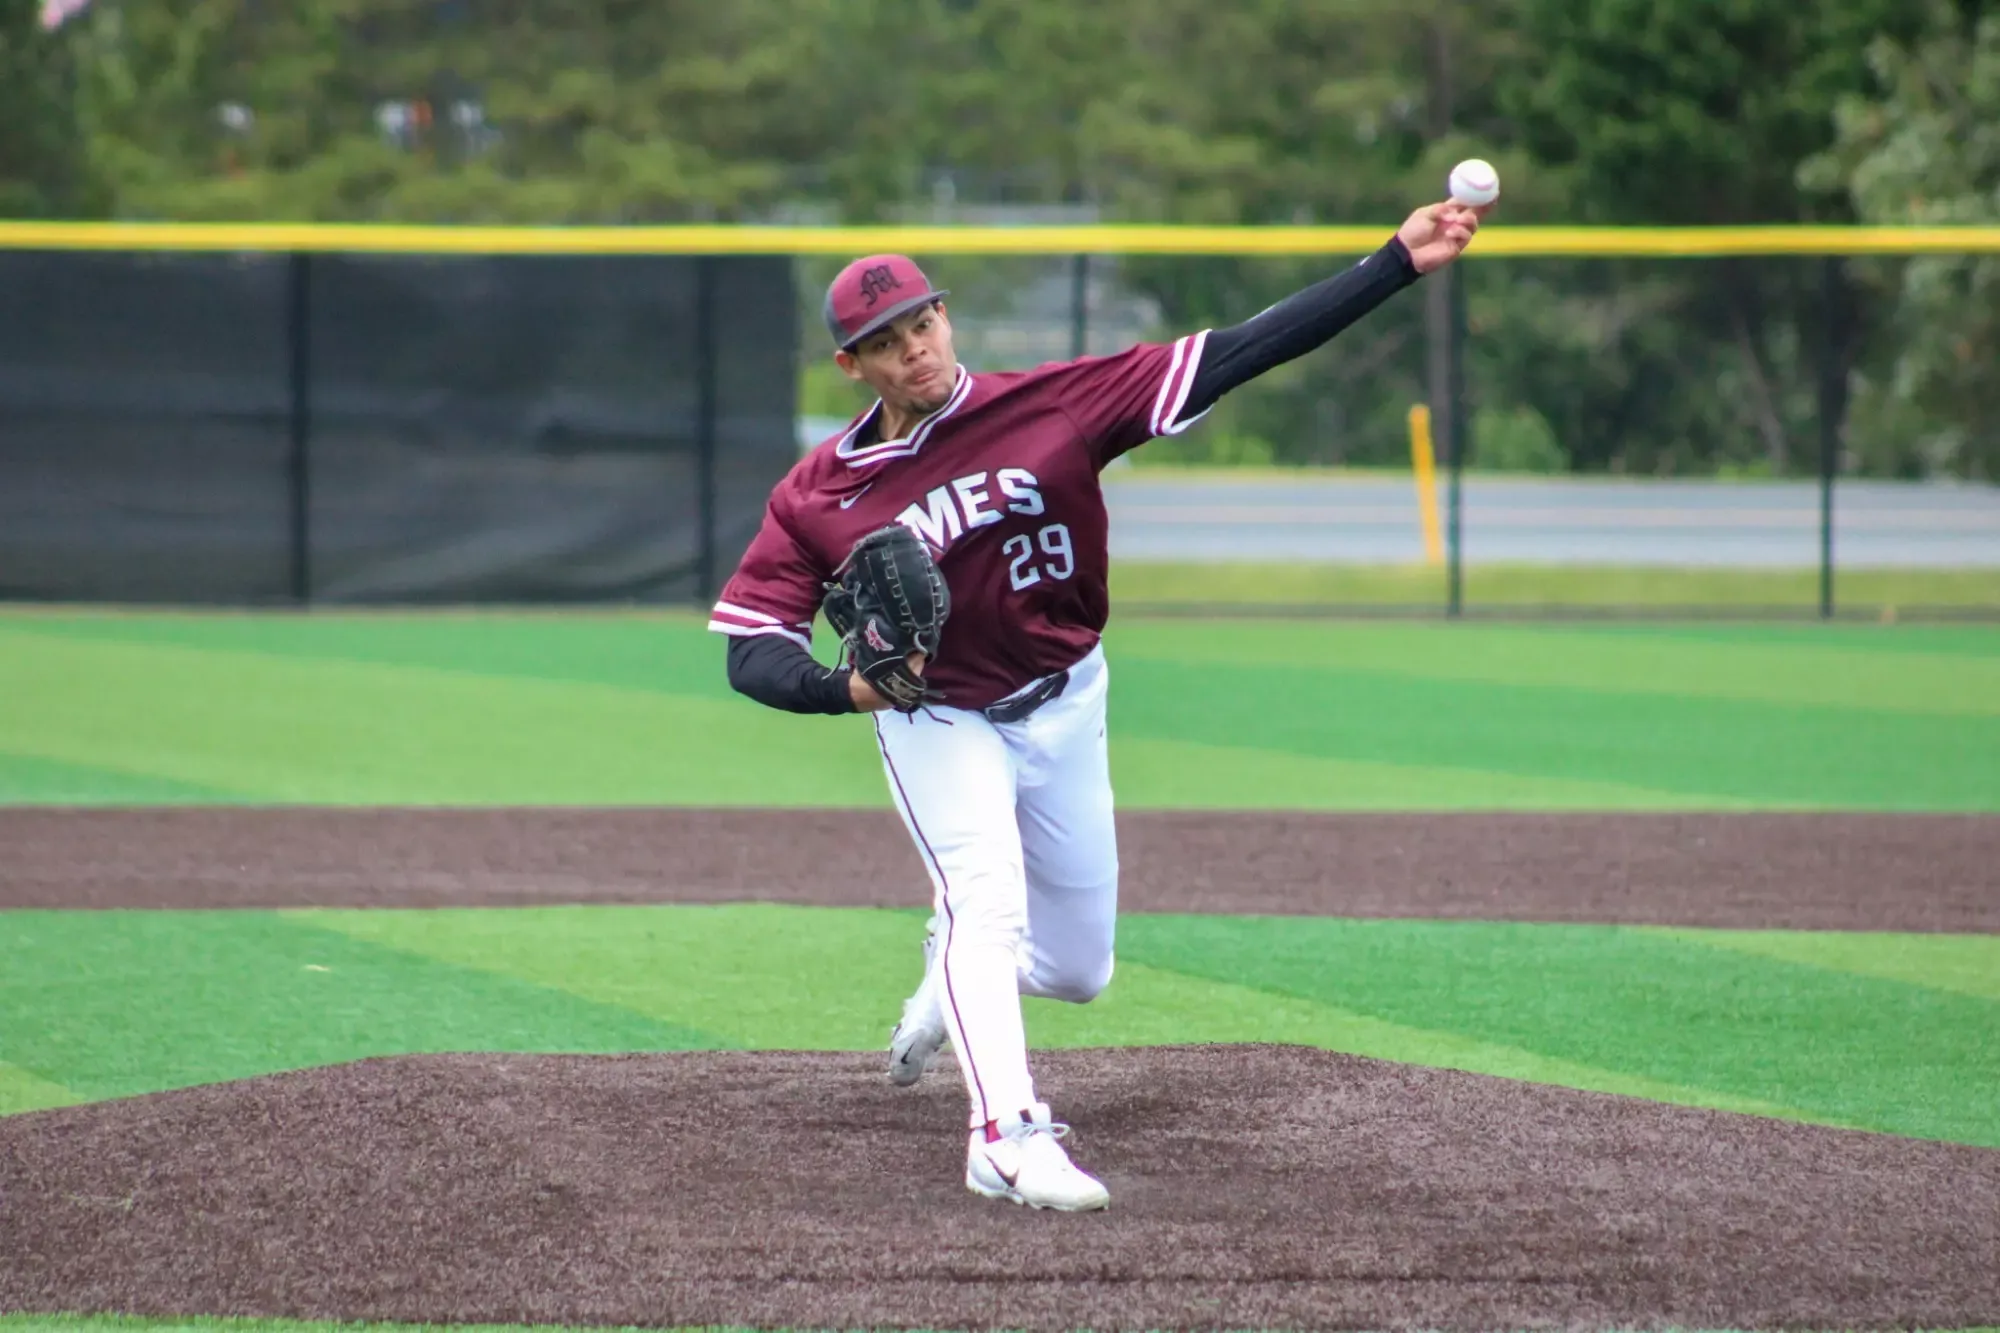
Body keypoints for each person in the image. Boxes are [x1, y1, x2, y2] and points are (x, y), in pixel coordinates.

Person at [710, 198, 1490, 1211]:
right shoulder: (817, 495)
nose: (914, 351)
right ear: (849, 366)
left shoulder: (1054, 405)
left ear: (945, 315)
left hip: (1067, 699)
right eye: (883, 343)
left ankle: (948, 979)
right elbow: (750, 644)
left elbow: (1236, 352)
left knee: (1076, 969)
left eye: (921, 323)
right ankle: (1003, 1137)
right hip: (936, 715)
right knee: (987, 900)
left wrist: (1392, 263)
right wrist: (843, 687)